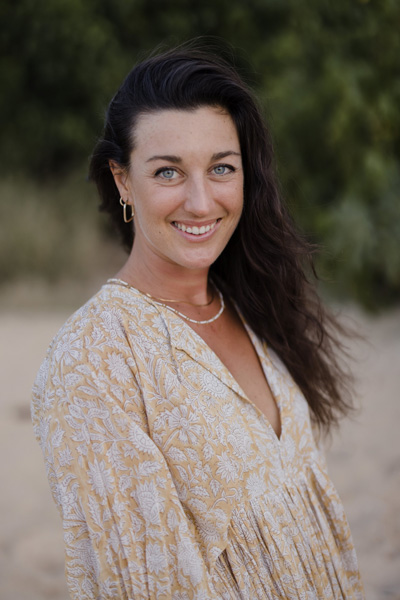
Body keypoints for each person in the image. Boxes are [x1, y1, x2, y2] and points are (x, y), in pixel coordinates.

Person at [32, 43, 364, 599]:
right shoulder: (92, 360)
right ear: (121, 181)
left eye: (221, 168)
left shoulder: (252, 305)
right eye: (168, 171)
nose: (201, 200)